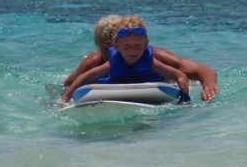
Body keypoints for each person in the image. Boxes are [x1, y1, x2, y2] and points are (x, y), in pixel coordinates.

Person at [63, 15, 219, 102]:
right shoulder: (95, 61)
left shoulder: (155, 56)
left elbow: (203, 70)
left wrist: (209, 86)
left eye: (135, 46)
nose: (129, 52)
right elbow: (69, 83)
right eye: (108, 48)